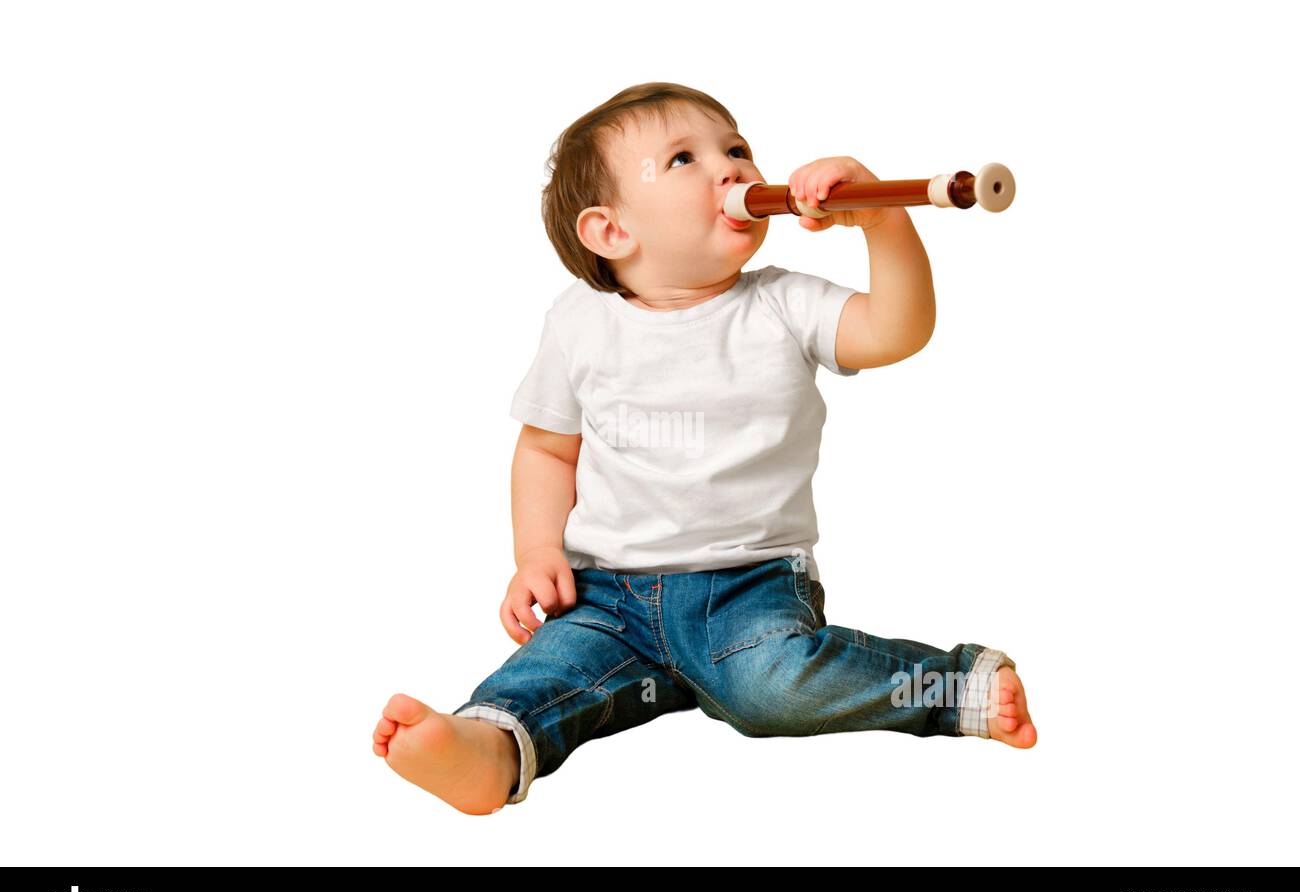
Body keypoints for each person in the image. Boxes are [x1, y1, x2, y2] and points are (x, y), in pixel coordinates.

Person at [372, 82, 1036, 815]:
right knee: (549, 671)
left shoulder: (783, 303)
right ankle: (487, 749)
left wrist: (881, 219)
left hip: (748, 588)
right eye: (685, 158)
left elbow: (897, 330)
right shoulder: (578, 323)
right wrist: (536, 554)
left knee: (770, 688)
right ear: (611, 231)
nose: (733, 169)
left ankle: (950, 686)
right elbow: (546, 451)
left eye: (738, 149)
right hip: (607, 594)